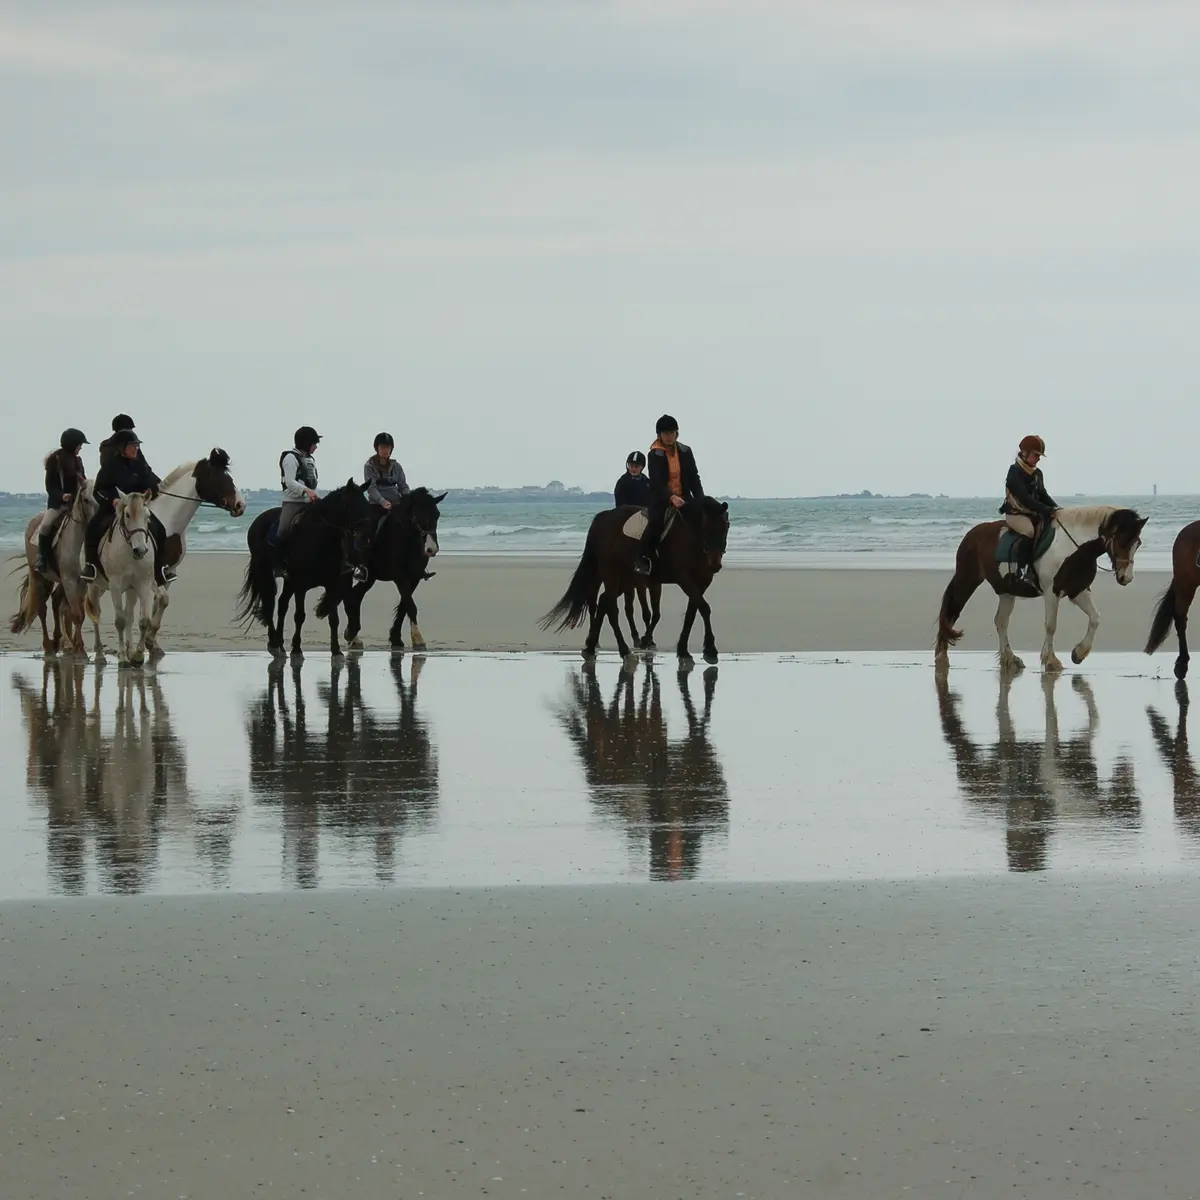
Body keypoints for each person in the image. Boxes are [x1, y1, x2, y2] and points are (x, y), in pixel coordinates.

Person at [80, 429, 169, 585]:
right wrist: (111, 500)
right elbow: (98, 491)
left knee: (160, 529)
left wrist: (156, 489)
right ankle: (91, 566)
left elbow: (151, 482)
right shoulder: (110, 467)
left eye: (137, 446)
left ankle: (160, 568)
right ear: (122, 448)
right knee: (92, 529)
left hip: (137, 508)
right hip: (113, 508)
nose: (136, 449)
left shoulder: (140, 465)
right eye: (132, 446)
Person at [634, 415, 705, 577]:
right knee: (656, 522)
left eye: (671, 433)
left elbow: (694, 476)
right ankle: (642, 557)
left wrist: (700, 498)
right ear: (659, 435)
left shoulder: (686, 451)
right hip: (661, 498)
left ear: (676, 434)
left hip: (684, 496)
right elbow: (657, 482)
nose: (668, 436)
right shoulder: (654, 454)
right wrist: (671, 498)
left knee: (701, 518)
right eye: (665, 433)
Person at [999, 434, 1059, 587]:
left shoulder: (1037, 474)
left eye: (1039, 456)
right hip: (1016, 514)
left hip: (1034, 513)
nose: (1038, 459)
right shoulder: (1014, 472)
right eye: (1036, 455)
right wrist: (1045, 509)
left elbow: (1043, 495)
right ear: (1025, 453)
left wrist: (1056, 509)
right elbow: (1025, 499)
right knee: (1029, 532)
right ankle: (1022, 572)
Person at [34, 428, 89, 574]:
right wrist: (61, 496)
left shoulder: (78, 461)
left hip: (75, 504)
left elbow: (82, 478)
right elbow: (50, 486)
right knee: (45, 525)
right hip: (58, 504)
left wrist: (85, 484)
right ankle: (42, 556)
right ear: (72, 444)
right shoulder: (55, 460)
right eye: (79, 445)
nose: (81, 448)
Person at [364, 432, 411, 513]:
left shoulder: (397, 466)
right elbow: (371, 488)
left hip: (396, 504)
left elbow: (403, 486)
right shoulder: (369, 466)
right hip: (377, 505)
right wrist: (382, 501)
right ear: (377, 448)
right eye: (382, 447)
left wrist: (408, 497)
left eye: (388, 447)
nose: (386, 450)